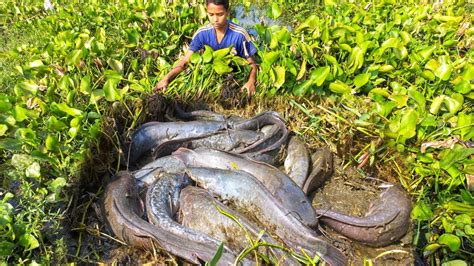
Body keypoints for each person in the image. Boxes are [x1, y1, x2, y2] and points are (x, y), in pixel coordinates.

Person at [154, 0, 258, 96]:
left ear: (228, 12)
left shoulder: (239, 34)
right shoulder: (202, 33)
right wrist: (166, 78)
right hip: (210, 75)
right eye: (211, 15)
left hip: (233, 76)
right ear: (206, 12)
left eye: (220, 14)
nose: (215, 19)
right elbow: (185, 61)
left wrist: (251, 81)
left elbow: (252, 64)